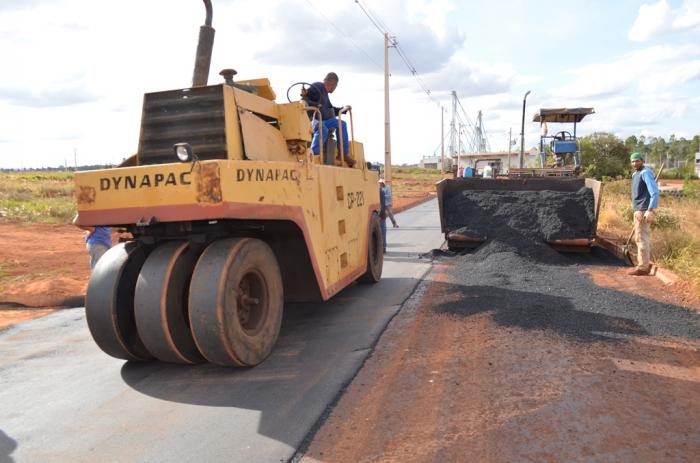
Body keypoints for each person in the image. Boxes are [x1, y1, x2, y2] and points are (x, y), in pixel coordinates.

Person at [301, 72, 355, 167]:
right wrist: (307, 95)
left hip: (325, 121)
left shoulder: (325, 95)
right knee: (323, 129)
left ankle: (343, 154)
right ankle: (314, 154)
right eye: (335, 86)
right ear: (333, 84)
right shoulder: (317, 86)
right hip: (313, 120)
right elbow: (304, 98)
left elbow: (330, 108)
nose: (335, 88)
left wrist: (343, 109)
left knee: (342, 124)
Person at [628, 151, 659, 276]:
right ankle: (642, 264)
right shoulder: (635, 174)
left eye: (637, 160)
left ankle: (643, 267)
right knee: (639, 237)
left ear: (643, 161)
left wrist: (650, 210)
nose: (635, 163)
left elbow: (654, 192)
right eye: (633, 161)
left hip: (643, 210)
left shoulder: (645, 173)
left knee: (641, 238)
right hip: (638, 210)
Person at [379, 181, 387, 253]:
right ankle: (383, 247)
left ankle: (383, 247)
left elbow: (382, 205)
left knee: (382, 232)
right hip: (381, 215)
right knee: (382, 232)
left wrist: (379, 214)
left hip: (381, 216)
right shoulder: (381, 192)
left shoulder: (380, 192)